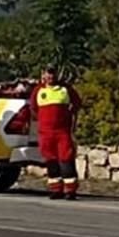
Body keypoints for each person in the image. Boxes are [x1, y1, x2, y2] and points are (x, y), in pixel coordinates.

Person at [29, 65, 83, 200]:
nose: (50, 77)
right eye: (47, 74)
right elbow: (34, 108)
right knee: (51, 160)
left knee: (66, 159)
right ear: (43, 75)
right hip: (45, 133)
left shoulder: (66, 89)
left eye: (52, 74)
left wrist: (69, 118)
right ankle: (55, 189)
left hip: (62, 131)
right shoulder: (38, 91)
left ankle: (70, 190)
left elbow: (76, 104)